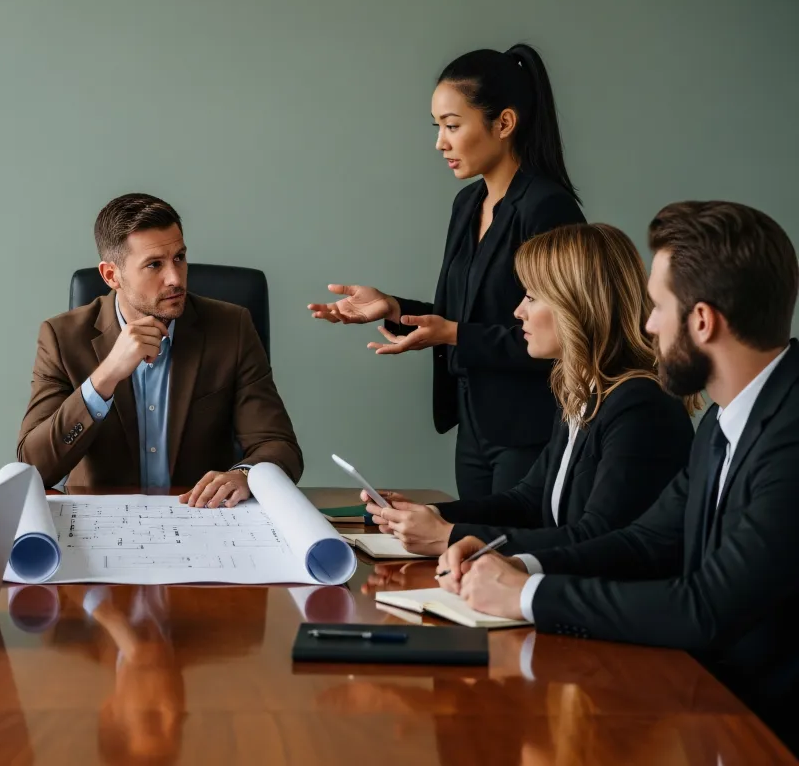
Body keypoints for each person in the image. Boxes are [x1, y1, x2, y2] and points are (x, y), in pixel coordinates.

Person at [441, 201, 799, 754]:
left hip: (764, 733)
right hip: (714, 715)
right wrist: (518, 564)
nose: (647, 323)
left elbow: (706, 607)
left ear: (702, 321)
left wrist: (529, 595)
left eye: (657, 307)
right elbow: (646, 540)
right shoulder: (725, 422)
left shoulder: (791, 432)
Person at [309, 44, 585, 498]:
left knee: (503, 554)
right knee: (467, 556)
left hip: (530, 428)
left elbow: (563, 334)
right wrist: (393, 307)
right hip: (473, 425)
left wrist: (453, 333)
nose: (440, 142)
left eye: (452, 126)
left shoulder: (547, 207)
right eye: (438, 127)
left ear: (504, 124)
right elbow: (462, 315)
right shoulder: (467, 204)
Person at [365, 224, 696, 556]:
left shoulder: (639, 405)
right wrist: (432, 515)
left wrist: (450, 537)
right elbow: (527, 501)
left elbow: (598, 539)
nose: (518, 312)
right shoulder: (584, 392)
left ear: (575, 307)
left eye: (531, 297)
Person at [17, 193, 303, 506]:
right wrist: (105, 377)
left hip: (201, 518)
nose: (175, 278)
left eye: (179, 258)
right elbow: (34, 467)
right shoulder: (61, 337)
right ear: (112, 275)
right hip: (103, 523)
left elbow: (279, 445)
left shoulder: (231, 328)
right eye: (154, 265)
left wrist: (246, 475)